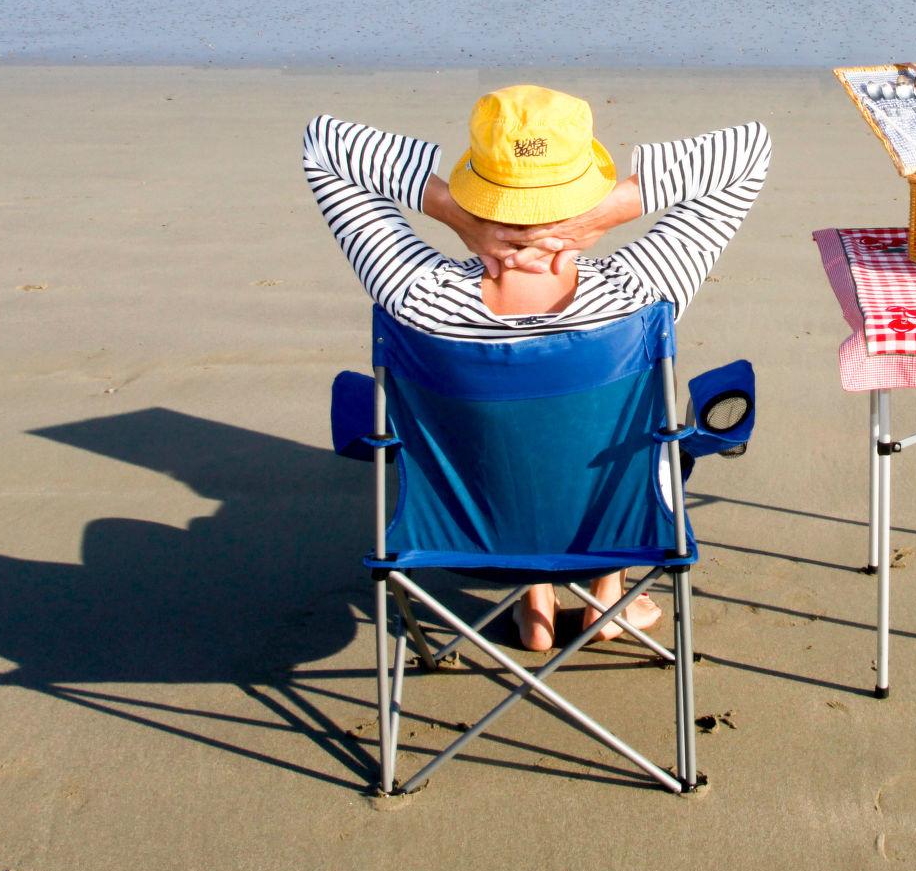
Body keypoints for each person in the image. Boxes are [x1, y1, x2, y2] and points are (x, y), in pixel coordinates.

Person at [304, 86, 770, 651]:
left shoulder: (415, 295)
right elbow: (750, 151)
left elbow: (325, 145)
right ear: (583, 190)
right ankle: (608, 588)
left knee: (509, 443)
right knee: (634, 436)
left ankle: (535, 602)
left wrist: (452, 212)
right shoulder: (642, 291)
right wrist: (607, 213)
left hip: (464, 539)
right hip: (619, 532)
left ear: (480, 187)